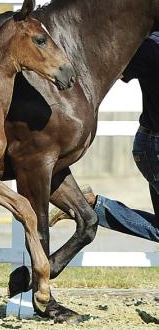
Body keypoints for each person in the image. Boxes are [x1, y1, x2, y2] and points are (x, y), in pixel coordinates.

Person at [50, 32, 159, 241]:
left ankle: (91, 205)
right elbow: (104, 65)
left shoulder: (148, 44)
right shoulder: (150, 48)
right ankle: (90, 206)